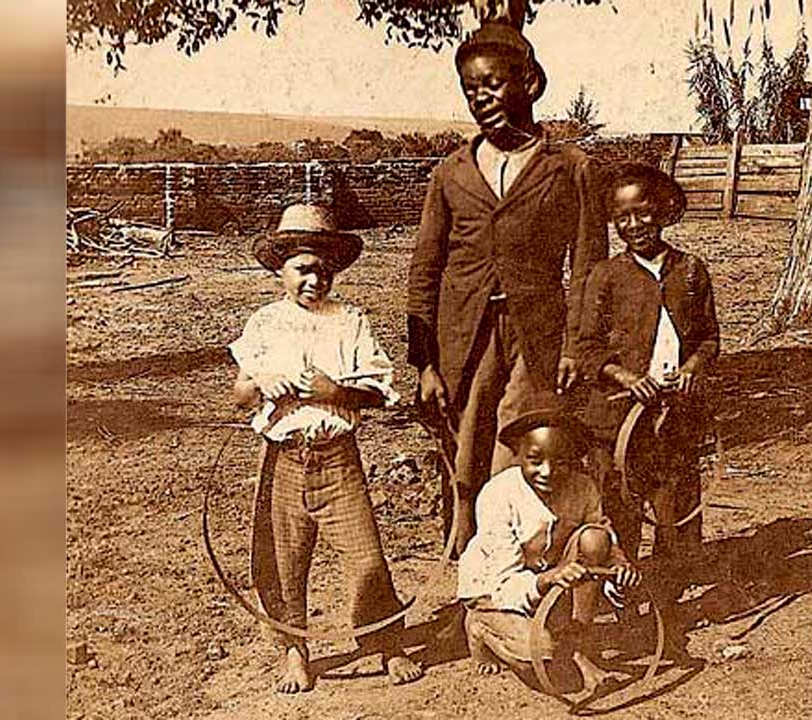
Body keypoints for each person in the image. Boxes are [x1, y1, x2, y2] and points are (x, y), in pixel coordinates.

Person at [406, 21, 608, 555]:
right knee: (466, 438)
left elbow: (588, 265)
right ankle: (469, 552)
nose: (481, 98)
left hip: (537, 333)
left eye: (493, 84)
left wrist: (576, 345)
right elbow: (425, 269)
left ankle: (519, 558)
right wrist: (424, 362)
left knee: (521, 435)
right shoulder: (451, 173)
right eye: (470, 88)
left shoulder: (570, 168)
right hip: (464, 334)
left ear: (530, 83)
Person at [229, 203, 423, 693]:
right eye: (302, 270)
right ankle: (295, 650)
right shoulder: (265, 323)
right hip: (286, 459)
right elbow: (240, 395)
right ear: (281, 270)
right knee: (284, 562)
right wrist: (263, 383)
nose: (314, 280)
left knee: (367, 559)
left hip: (338, 458)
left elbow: (378, 392)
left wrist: (333, 391)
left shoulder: (349, 321)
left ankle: (385, 642)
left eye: (323, 270)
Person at [577, 163, 720, 660]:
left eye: (642, 212)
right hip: (618, 422)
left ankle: (666, 605)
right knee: (621, 510)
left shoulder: (691, 270)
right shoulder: (605, 276)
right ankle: (623, 609)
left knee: (674, 510)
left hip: (673, 418)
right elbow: (587, 348)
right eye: (622, 217)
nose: (634, 224)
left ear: (662, 211)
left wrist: (694, 367)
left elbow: (708, 337)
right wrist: (624, 377)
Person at [457, 406, 641, 693]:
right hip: (496, 590)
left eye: (562, 462)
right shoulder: (498, 495)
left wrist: (619, 564)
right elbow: (504, 584)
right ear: (517, 455)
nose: (548, 472)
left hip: (549, 580)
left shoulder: (583, 487)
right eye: (535, 460)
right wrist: (548, 578)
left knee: (595, 539)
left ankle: (577, 643)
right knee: (544, 658)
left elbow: (602, 532)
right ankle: (480, 626)